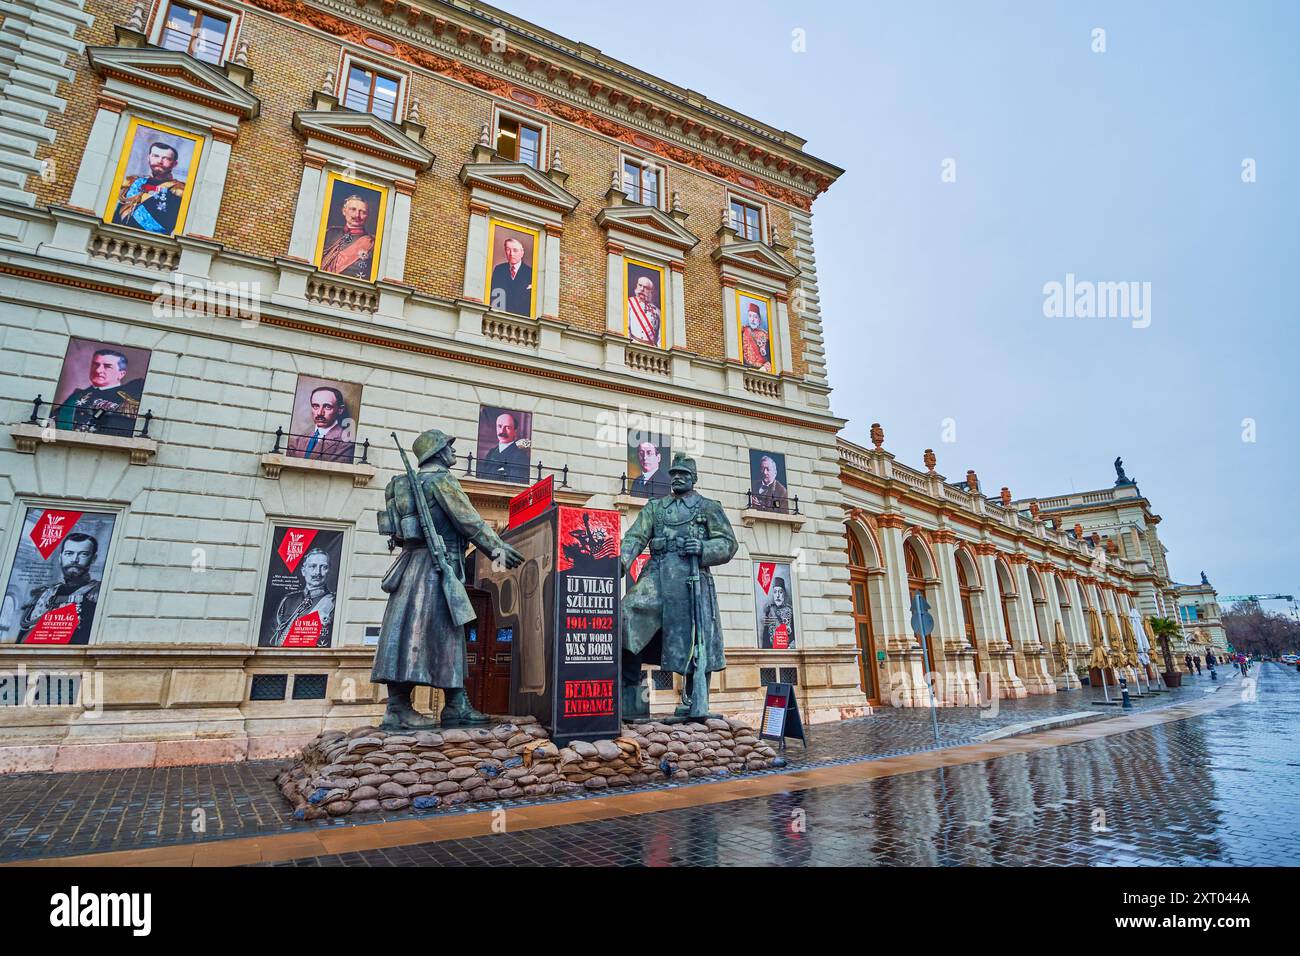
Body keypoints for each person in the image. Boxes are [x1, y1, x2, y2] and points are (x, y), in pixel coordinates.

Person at [373, 428, 523, 729]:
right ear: (438, 453)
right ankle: (415, 707)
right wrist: (500, 550)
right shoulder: (441, 480)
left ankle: (446, 704)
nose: (453, 451)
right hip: (436, 569)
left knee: (409, 635)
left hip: (411, 567)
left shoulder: (405, 485)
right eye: (448, 447)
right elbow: (469, 522)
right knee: (439, 634)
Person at [619, 453, 738, 718]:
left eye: (683, 474)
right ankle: (628, 690)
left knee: (697, 639)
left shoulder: (708, 507)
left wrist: (704, 547)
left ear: (694, 479)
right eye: (674, 474)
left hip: (691, 579)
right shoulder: (655, 508)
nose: (678, 478)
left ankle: (695, 700)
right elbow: (635, 537)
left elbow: (729, 543)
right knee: (626, 616)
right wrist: (622, 561)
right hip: (657, 574)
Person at [16, 533, 100, 645]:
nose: (74, 560)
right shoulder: (44, 594)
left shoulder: (98, 592)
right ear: (61, 557)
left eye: (83, 554)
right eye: (69, 553)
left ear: (93, 559)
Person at [55, 348, 145, 436]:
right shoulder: (77, 395)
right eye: (95, 364)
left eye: (107, 366)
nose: (98, 370)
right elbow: (54, 420)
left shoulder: (130, 397)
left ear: (121, 374)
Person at [112, 141, 186, 234]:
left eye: (166, 158)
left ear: (174, 164)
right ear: (149, 157)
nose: (160, 161)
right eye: (155, 156)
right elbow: (118, 213)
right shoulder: (134, 181)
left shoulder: (179, 190)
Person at [268, 547, 336, 647]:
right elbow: (272, 634)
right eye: (312, 566)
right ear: (303, 571)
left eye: (323, 567)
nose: (317, 572)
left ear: (328, 571)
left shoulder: (334, 602)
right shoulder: (288, 600)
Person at [287, 386, 354, 462]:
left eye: (327, 407)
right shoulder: (299, 440)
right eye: (315, 406)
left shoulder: (345, 442)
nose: (319, 413)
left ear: (340, 410)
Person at [319, 194, 377, 279]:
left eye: (363, 212)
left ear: (367, 216)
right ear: (344, 211)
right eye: (353, 209)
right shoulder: (328, 233)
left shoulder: (372, 243)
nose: (357, 215)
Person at [477, 411, 530, 482]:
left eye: (507, 427)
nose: (502, 431)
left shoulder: (520, 456)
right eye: (499, 426)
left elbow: (516, 484)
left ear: (515, 431)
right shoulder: (491, 452)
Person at [489, 236, 532, 316]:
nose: (511, 254)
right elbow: (493, 295)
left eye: (515, 250)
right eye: (508, 250)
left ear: (522, 253)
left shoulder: (531, 273)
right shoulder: (499, 270)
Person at [760, 576, 796, 649]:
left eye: (780, 592)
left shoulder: (790, 610)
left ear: (784, 594)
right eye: (775, 592)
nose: (778, 596)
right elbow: (765, 638)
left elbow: (794, 636)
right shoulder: (769, 610)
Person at [627, 275, 661, 345]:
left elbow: (660, 336)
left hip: (650, 348)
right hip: (633, 343)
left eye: (646, 288)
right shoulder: (629, 303)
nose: (642, 289)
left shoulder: (657, 311)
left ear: (651, 291)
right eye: (640, 285)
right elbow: (626, 327)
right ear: (636, 285)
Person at [740, 302, 772, 371]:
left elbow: (770, 358)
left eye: (755, 317)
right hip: (746, 368)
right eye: (750, 316)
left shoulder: (765, 335)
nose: (752, 319)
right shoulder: (744, 330)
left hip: (761, 369)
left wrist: (765, 368)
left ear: (759, 320)